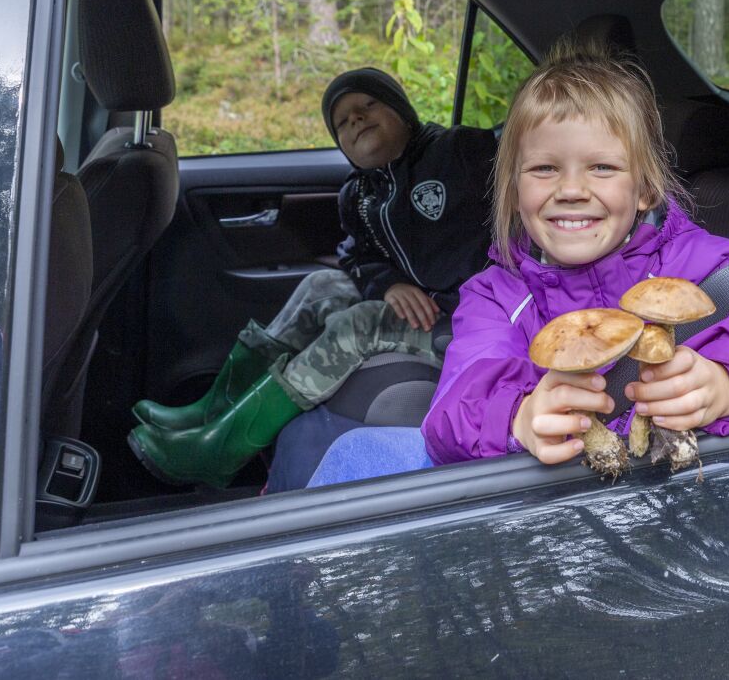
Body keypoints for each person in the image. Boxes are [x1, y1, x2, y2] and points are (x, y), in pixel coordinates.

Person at [306, 43, 729, 485]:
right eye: (545, 168)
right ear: (515, 189)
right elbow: (453, 406)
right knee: (352, 459)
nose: (571, 190)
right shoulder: (495, 296)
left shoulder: (713, 269)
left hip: (681, 502)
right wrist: (518, 416)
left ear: (644, 188)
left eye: (602, 167)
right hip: (558, 514)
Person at [128, 67, 497, 489]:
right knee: (320, 286)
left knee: (358, 324)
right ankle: (218, 409)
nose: (355, 119)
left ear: (402, 110)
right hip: (423, 307)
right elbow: (357, 257)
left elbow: (515, 169)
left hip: (471, 320)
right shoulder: (359, 195)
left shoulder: (458, 150)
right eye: (342, 121)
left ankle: (221, 450)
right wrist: (388, 283)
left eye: (368, 105)